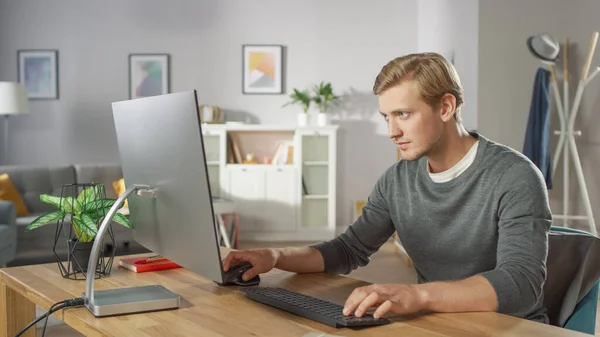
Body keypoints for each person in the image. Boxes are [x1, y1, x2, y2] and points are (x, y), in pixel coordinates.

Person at [222, 52, 552, 323]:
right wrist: (276, 255)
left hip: (511, 328)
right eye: (386, 117)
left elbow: (520, 283)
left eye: (403, 114)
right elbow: (348, 250)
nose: (391, 131)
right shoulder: (397, 180)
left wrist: (417, 294)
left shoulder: (515, 176)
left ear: (446, 107)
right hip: (439, 324)